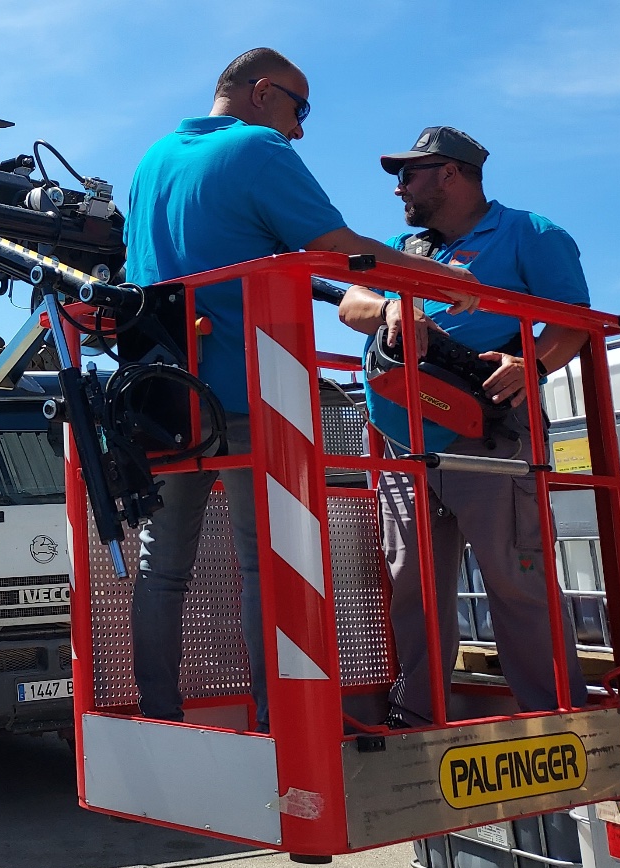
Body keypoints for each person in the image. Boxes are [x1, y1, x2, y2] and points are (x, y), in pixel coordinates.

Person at [124, 49, 478, 729]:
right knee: (271, 568)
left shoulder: (151, 161)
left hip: (165, 395)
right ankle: (284, 720)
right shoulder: (258, 149)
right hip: (250, 387)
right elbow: (341, 247)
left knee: (161, 567)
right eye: (299, 109)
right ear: (262, 93)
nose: (301, 131)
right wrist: (440, 282)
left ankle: (158, 717)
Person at [336, 126, 592, 725]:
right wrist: (392, 306)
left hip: (489, 439)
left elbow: (576, 323)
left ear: (450, 173)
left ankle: (556, 718)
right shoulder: (406, 247)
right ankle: (417, 719)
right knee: (411, 591)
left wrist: (532, 365)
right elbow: (351, 304)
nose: (399, 189)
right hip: (404, 442)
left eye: (409, 175)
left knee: (516, 583)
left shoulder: (530, 233)